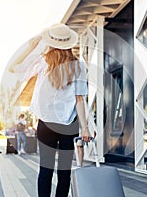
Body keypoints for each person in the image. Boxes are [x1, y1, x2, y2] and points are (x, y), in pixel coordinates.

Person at [9, 23, 92, 197]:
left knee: (45, 169)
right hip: (68, 125)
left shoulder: (42, 61)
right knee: (64, 172)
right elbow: (79, 99)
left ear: (51, 42)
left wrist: (30, 47)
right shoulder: (78, 66)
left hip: (46, 124)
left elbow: (15, 69)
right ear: (69, 43)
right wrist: (84, 127)